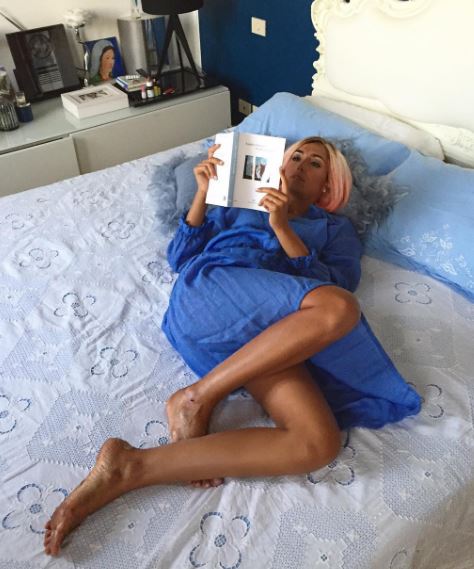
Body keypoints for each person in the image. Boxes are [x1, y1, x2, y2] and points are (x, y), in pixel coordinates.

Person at [43, 136, 421, 556]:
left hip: (267, 337)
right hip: (210, 295)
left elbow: (332, 283)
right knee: (339, 310)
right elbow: (180, 258)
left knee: (318, 443)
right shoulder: (243, 202)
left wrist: (282, 226)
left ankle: (130, 467)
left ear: (329, 186)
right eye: (295, 156)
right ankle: (197, 398)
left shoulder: (335, 230)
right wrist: (203, 194)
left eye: (315, 163)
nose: (299, 165)